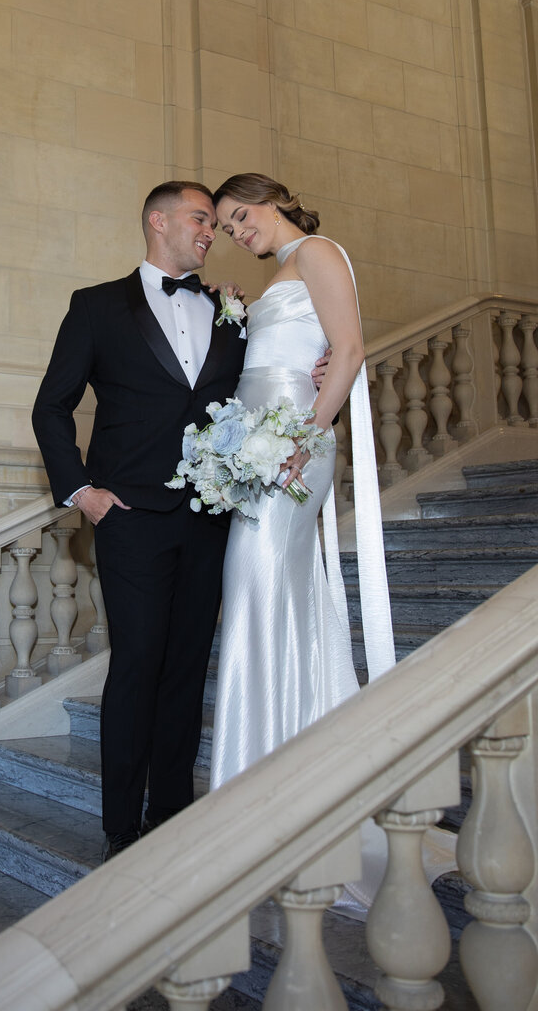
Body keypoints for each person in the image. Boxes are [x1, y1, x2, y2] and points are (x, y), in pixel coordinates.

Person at [32, 181, 248, 860]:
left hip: (209, 516)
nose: (210, 231)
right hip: (129, 516)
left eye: (213, 223)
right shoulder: (96, 307)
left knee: (188, 666)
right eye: (199, 219)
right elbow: (51, 407)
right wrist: (82, 492)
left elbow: (258, 384)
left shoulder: (228, 309)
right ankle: (121, 827)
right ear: (158, 221)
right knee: (138, 663)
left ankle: (172, 811)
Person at [208, 172, 400, 912]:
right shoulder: (283, 273)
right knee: (266, 592)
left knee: (252, 582)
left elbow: (348, 351)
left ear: (274, 199)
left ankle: (260, 792)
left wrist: (305, 436)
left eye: (241, 216)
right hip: (260, 446)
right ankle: (279, 774)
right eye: (225, 227)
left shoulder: (319, 251)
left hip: (293, 446)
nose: (236, 232)